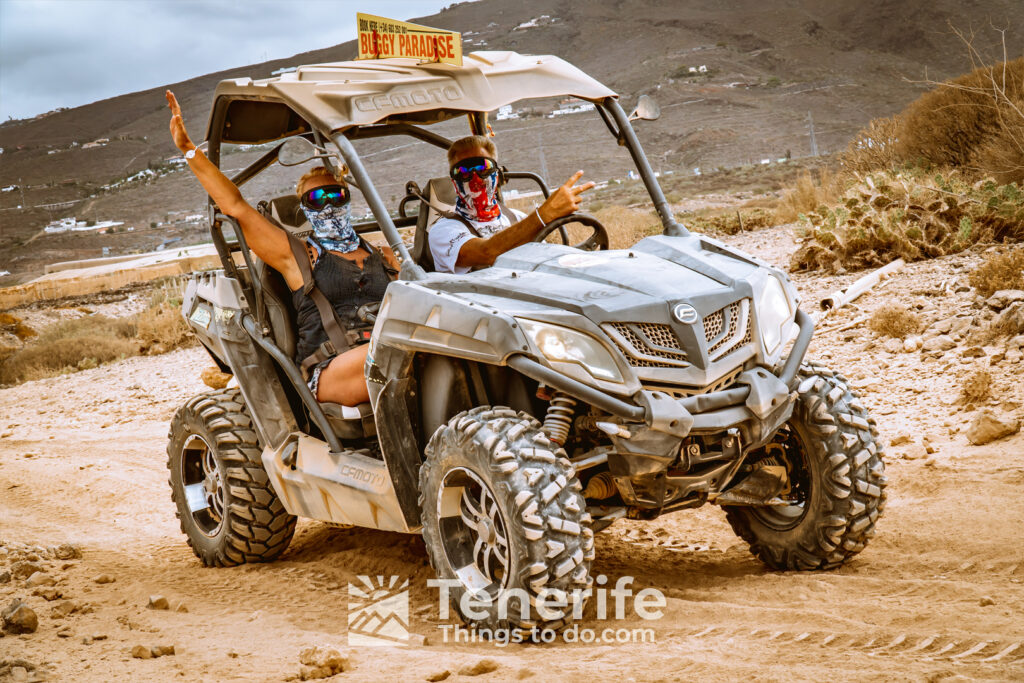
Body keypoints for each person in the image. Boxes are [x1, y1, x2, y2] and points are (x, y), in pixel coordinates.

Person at [166, 90, 398, 407]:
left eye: (335, 196)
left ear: (347, 199)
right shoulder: (298, 255)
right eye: (317, 200)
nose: (328, 205)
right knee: (396, 355)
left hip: (391, 351)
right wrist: (189, 150)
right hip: (331, 367)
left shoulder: (383, 256)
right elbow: (236, 206)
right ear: (305, 209)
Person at [428, 135, 595, 274]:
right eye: (463, 171)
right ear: (454, 182)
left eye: (483, 167)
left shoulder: (518, 218)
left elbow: (545, 262)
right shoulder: (443, 231)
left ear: (497, 175)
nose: (475, 179)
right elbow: (486, 253)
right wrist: (543, 215)